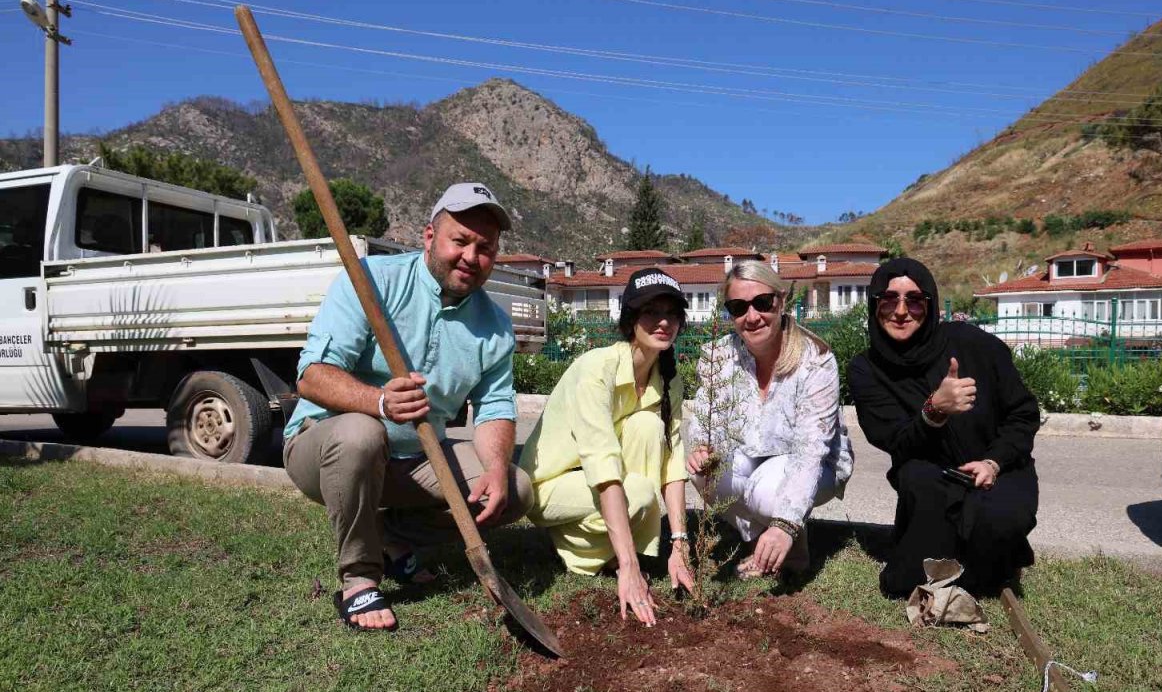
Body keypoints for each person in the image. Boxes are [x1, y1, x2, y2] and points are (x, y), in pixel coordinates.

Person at [283, 182, 533, 632]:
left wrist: (495, 467)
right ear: (429, 236)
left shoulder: (494, 325)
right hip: (324, 448)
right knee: (361, 433)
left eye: (485, 248)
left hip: (414, 458)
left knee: (514, 490)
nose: (471, 257)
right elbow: (311, 375)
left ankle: (389, 534)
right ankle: (359, 577)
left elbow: (494, 406)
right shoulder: (372, 281)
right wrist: (377, 401)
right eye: (460, 241)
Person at [847, 258, 1039, 598]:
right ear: (875, 304)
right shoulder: (867, 369)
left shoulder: (973, 344)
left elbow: (1022, 414)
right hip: (932, 474)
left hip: (999, 468)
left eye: (914, 300)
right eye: (889, 299)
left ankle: (996, 549)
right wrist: (933, 410)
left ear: (930, 304)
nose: (901, 311)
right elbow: (895, 441)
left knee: (998, 522)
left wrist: (993, 462)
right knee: (906, 583)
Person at [519, 268, 689, 627]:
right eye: (650, 312)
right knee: (641, 493)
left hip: (597, 481)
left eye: (672, 313)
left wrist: (680, 543)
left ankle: (619, 548)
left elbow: (673, 463)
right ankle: (586, 551)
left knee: (647, 426)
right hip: (550, 486)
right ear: (630, 321)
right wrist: (628, 568)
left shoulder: (668, 378)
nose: (663, 322)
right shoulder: (598, 369)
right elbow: (603, 465)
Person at [681, 261, 853, 579]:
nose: (752, 316)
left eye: (762, 302)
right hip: (751, 454)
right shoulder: (719, 357)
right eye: (738, 307)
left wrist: (785, 523)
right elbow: (709, 419)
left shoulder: (815, 361)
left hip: (816, 466)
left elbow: (811, 450)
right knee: (706, 474)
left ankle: (792, 546)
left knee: (767, 488)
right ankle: (759, 541)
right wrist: (704, 448)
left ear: (781, 300)